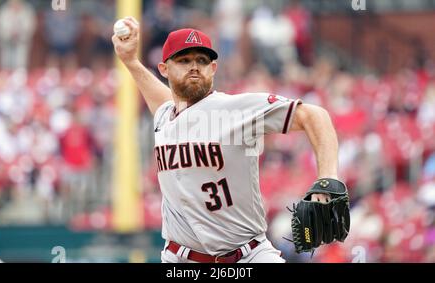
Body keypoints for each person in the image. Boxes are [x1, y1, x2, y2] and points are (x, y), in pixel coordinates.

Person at [113, 17, 340, 263]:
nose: (194, 67)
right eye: (184, 60)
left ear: (213, 68)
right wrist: (131, 62)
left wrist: (328, 180)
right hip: (180, 258)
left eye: (202, 60)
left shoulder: (234, 109)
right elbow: (166, 102)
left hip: (248, 256)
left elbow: (314, 115)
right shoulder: (165, 116)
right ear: (164, 69)